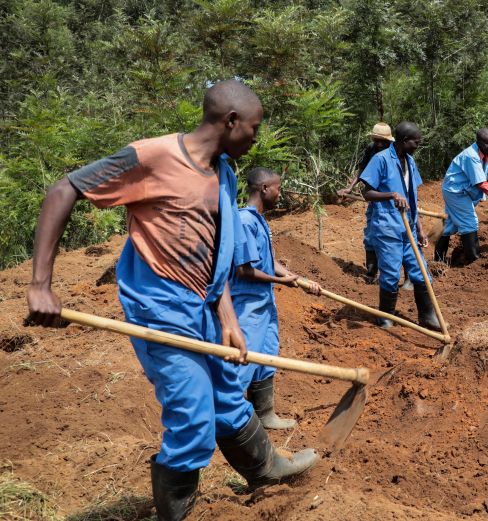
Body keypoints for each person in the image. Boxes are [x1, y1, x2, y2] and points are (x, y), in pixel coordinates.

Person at [25, 81, 319, 520]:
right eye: (254, 128)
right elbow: (63, 190)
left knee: (226, 395)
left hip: (204, 306)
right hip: (160, 305)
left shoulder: (224, 172)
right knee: (193, 415)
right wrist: (40, 284)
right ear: (231, 121)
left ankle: (265, 470)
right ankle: (175, 514)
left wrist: (229, 317)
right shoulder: (152, 156)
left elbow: (217, 255)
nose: (256, 138)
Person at [231, 167, 322, 430]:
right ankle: (231, 424)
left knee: (267, 355)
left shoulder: (260, 219)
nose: (280, 194)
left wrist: (299, 280)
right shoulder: (245, 221)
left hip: (264, 302)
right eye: (278, 188)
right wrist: (279, 281)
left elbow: (271, 263)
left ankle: (265, 414)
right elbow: (244, 270)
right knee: (244, 362)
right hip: (247, 304)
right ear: (264, 189)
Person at [360, 122, 441, 331]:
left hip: (409, 229)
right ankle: (385, 317)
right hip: (387, 227)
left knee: (421, 271)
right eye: (416, 142)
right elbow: (366, 193)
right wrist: (391, 195)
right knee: (391, 274)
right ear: (405, 141)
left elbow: (412, 200)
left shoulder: (410, 162)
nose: (417, 146)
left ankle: (428, 316)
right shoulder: (381, 160)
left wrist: (420, 229)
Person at [435, 129, 488, 264]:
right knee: (470, 222)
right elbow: (481, 183)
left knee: (449, 224)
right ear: (479, 143)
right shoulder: (471, 156)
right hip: (455, 191)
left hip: (464, 190)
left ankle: (438, 260)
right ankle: (473, 260)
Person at [337, 122, 395, 283]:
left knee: (390, 239)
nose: (379, 144)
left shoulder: (395, 152)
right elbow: (362, 170)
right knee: (370, 236)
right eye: (377, 140)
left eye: (382, 141)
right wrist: (350, 188)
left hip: (392, 202)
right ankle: (370, 273)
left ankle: (389, 276)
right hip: (375, 200)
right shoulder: (371, 149)